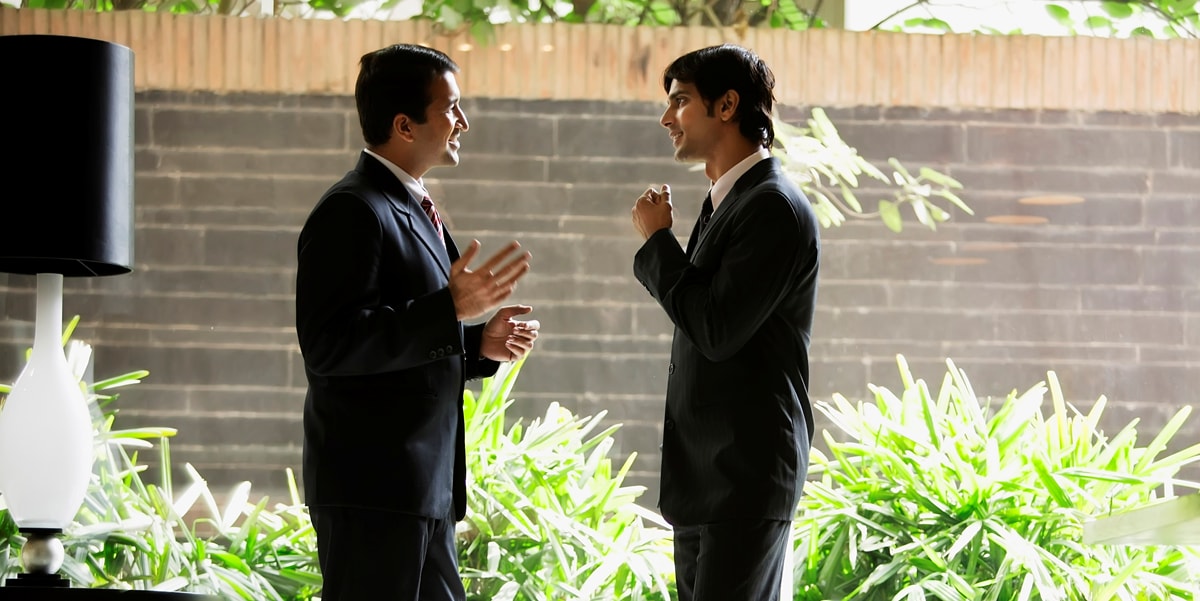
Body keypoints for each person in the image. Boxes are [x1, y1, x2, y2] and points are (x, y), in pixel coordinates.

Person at [295, 44, 540, 601]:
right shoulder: (352, 210)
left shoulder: (408, 203)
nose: (464, 123)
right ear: (404, 125)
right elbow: (331, 346)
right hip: (374, 494)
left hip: (419, 493)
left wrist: (478, 344)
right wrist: (449, 310)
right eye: (451, 108)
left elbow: (404, 333)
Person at [630, 44, 820, 601]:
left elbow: (714, 329)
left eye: (681, 101)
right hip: (709, 480)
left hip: (745, 477)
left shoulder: (772, 206)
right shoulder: (726, 202)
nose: (667, 118)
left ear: (728, 105)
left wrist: (659, 243)